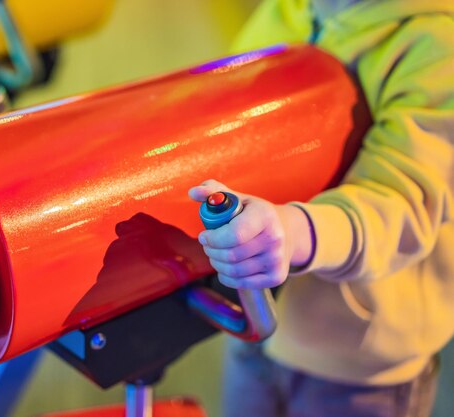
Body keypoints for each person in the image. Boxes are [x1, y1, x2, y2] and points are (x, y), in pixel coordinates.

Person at [188, 0, 454, 416]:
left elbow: (400, 201)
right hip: (256, 317)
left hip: (358, 363)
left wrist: (293, 234)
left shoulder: (436, 45)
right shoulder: (291, 8)